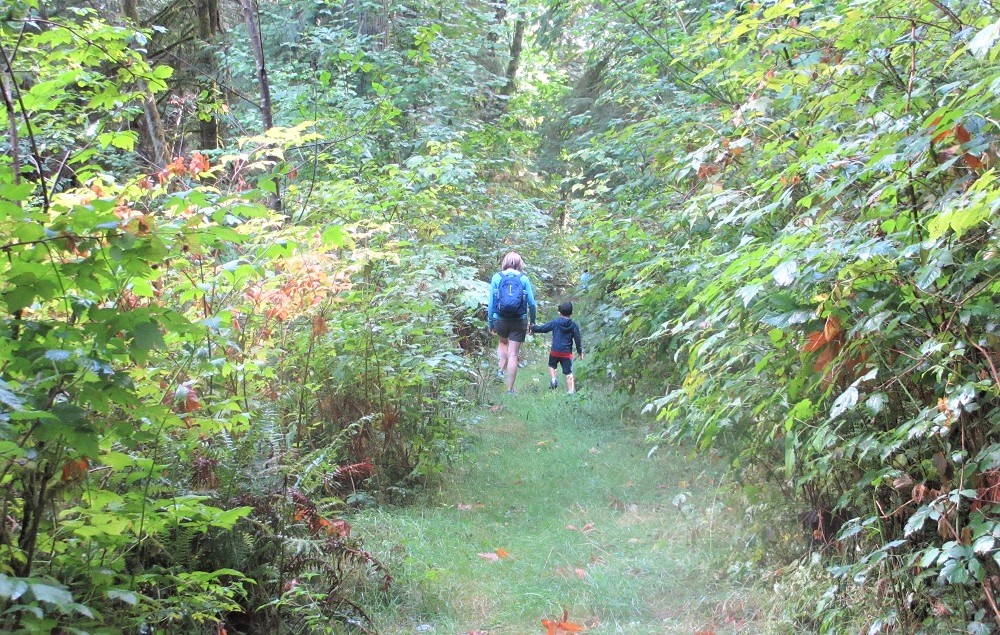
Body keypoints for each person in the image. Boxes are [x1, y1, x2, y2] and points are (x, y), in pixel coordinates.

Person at [487, 251, 537, 394]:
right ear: (520, 263)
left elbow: (491, 304)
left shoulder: (497, 277)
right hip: (519, 320)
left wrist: (490, 322)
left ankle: (500, 370)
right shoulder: (524, 279)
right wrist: (532, 322)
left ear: (505, 262)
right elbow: (532, 304)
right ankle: (510, 389)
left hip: (500, 319)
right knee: (513, 354)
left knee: (503, 342)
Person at [531, 301, 584, 394]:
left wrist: (534, 327)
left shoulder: (555, 322)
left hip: (555, 351)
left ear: (559, 312)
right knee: (568, 372)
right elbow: (577, 339)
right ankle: (571, 391)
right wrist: (580, 352)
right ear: (571, 313)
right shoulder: (574, 325)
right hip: (567, 353)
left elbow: (544, 329)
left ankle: (554, 378)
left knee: (552, 365)